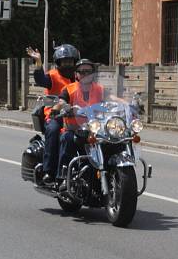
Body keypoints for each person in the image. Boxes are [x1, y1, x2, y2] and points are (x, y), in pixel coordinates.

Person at [52, 59, 124, 181]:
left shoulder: (99, 89)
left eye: (89, 72)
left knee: (115, 140)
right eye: (82, 72)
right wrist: (60, 108)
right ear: (76, 74)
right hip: (75, 129)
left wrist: (130, 104)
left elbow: (112, 98)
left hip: (96, 129)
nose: (86, 74)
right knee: (67, 139)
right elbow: (61, 101)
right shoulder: (69, 89)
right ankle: (62, 176)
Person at [26, 44, 80, 185]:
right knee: (53, 130)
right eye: (64, 62)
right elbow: (40, 80)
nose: (68, 65)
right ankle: (49, 171)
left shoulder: (79, 77)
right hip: (54, 115)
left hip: (76, 116)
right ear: (58, 63)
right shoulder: (53, 76)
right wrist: (38, 63)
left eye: (70, 62)